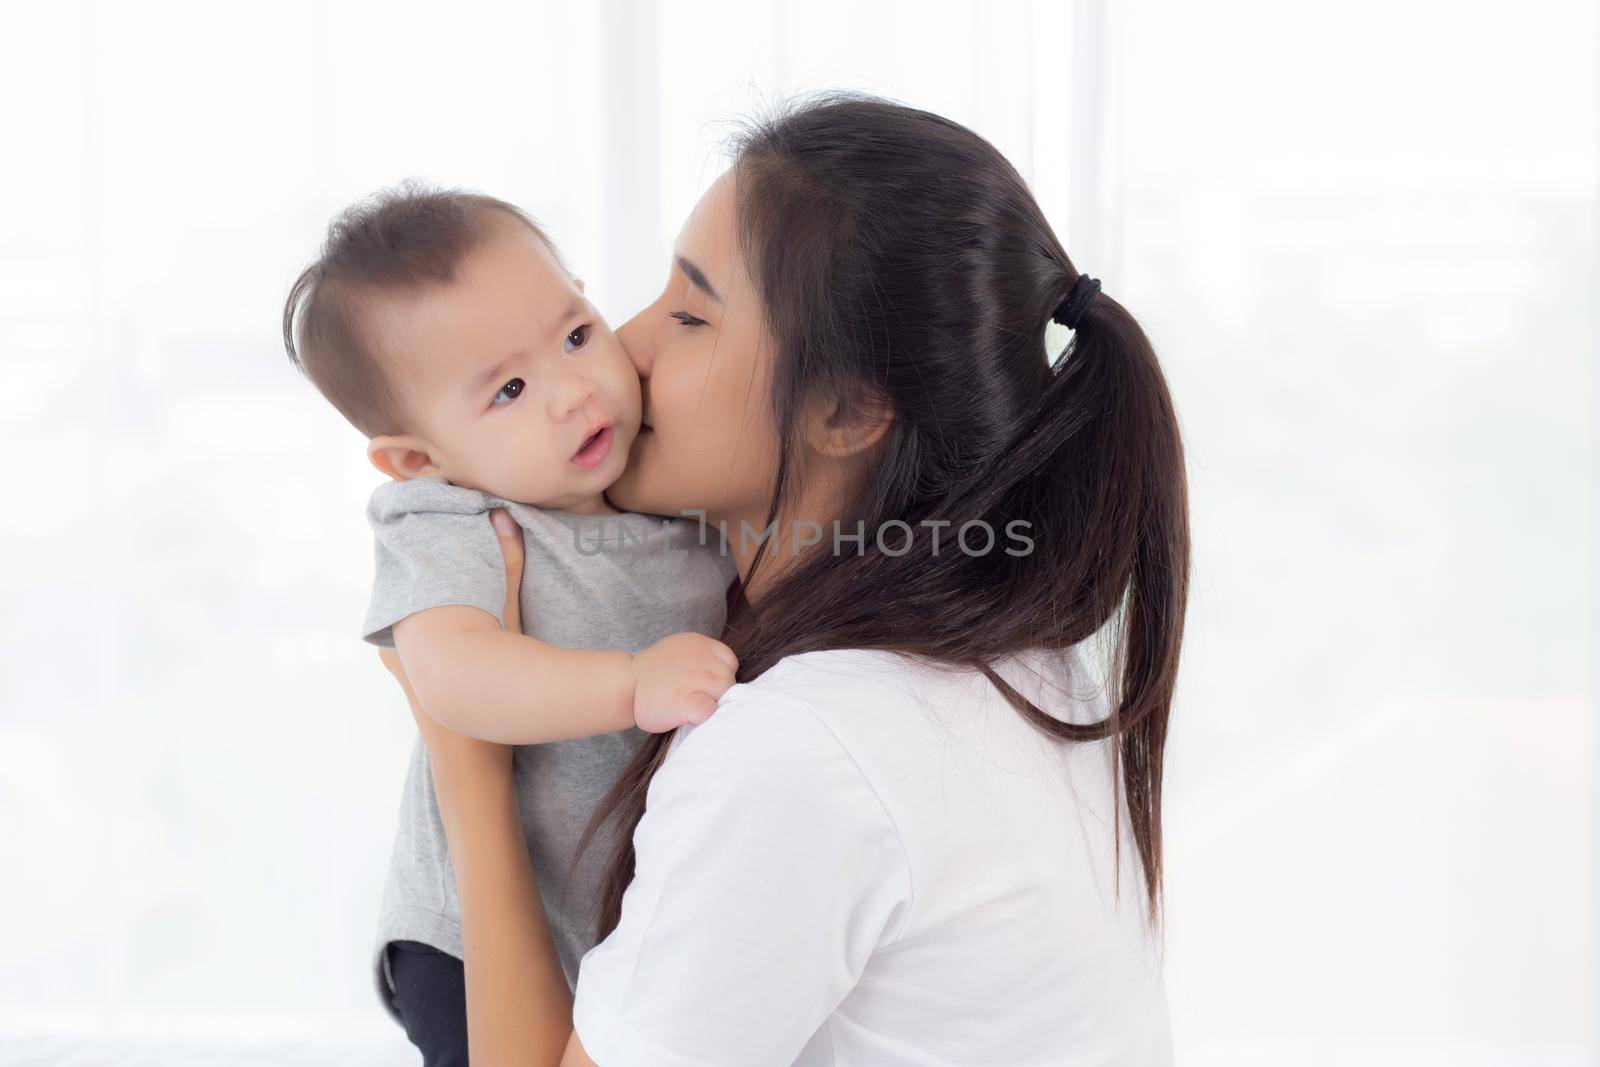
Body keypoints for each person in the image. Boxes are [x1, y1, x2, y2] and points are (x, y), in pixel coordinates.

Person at [384, 92, 1190, 1066]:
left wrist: (468, 759)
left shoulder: (800, 747)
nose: (620, 352)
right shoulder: (1024, 670)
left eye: (688, 314)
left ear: (846, 412)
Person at [281, 184, 740, 1065]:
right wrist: (629, 682)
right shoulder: (454, 518)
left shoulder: (667, 479)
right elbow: (451, 675)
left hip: (607, 920)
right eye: (512, 389)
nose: (574, 391)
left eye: (576, 334)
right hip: (466, 943)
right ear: (420, 457)